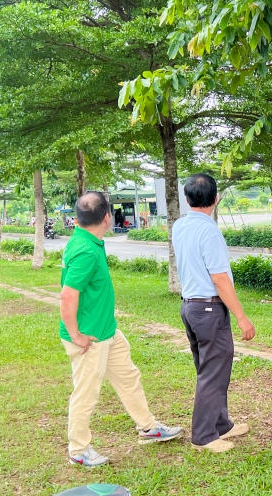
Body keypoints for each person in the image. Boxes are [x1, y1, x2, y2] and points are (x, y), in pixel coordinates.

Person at [59, 191, 183, 467]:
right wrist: (77, 335)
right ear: (107, 217)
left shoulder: (86, 239)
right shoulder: (86, 250)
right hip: (89, 338)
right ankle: (78, 449)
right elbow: (68, 295)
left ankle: (148, 428)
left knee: (128, 377)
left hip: (107, 331)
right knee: (86, 393)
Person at [173, 173, 256, 453]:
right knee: (213, 371)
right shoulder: (209, 231)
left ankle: (222, 424)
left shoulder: (179, 226)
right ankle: (204, 435)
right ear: (216, 199)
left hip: (190, 307)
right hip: (209, 308)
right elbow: (220, 279)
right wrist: (242, 318)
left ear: (186, 200)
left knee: (210, 368)